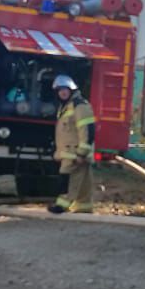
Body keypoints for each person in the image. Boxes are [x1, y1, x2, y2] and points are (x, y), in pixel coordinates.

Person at [47, 75, 95, 215]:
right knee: (84, 181)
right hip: (70, 152)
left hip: (75, 153)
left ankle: (61, 205)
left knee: (67, 178)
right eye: (59, 90)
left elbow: (87, 130)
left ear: (72, 89)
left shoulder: (80, 106)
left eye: (65, 89)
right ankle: (84, 206)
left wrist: (81, 153)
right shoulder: (66, 107)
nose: (62, 92)